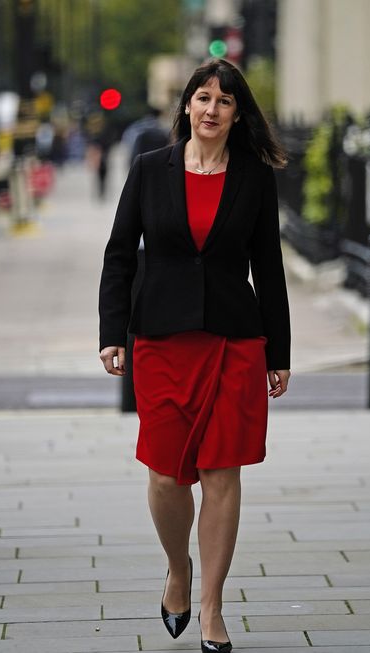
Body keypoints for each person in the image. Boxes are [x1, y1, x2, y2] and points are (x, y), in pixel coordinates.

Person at [98, 59, 291, 652]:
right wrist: (112, 331)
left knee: (221, 473)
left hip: (234, 340)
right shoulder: (150, 170)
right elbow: (119, 254)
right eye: (203, 98)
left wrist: (278, 351)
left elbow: (270, 268)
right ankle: (177, 569)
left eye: (225, 102)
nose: (212, 110)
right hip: (160, 339)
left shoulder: (255, 178)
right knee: (164, 476)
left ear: (238, 113)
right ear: (186, 106)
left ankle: (212, 607)